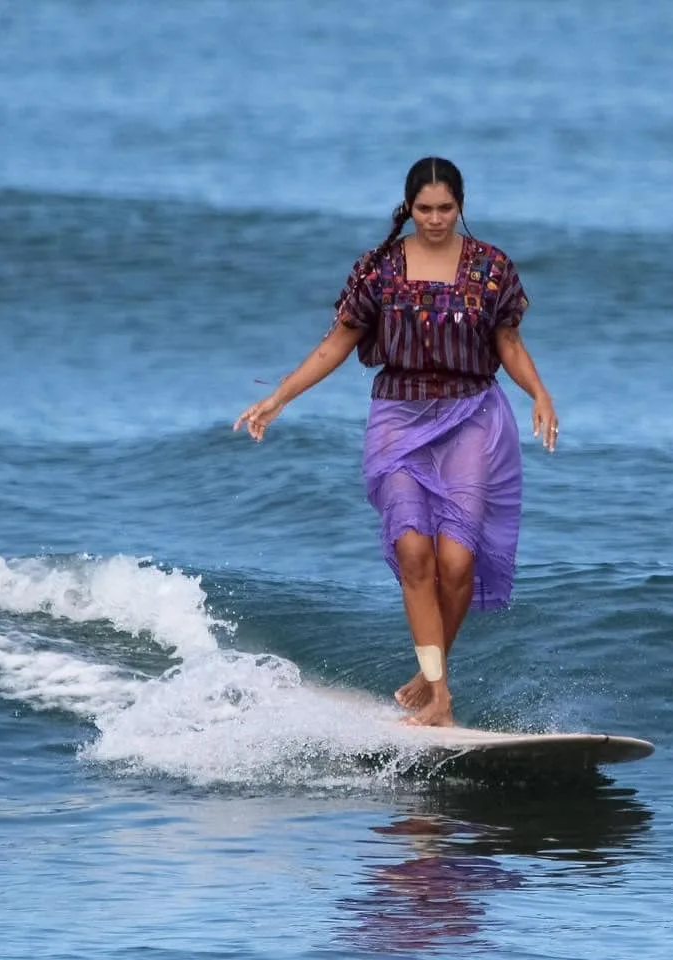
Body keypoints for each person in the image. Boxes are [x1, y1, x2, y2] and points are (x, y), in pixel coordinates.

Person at [234, 156, 558, 727]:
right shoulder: (379, 269)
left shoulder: (490, 269)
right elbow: (338, 342)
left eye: (446, 208)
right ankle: (440, 696)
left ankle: (433, 675)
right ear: (409, 207)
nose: (435, 219)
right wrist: (279, 397)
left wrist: (539, 393)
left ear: (461, 206)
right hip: (399, 419)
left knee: (457, 562)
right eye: (424, 208)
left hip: (472, 416)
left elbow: (507, 341)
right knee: (414, 550)